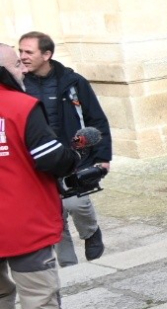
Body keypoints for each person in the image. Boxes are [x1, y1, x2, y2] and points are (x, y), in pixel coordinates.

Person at [0, 43, 88, 309]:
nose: (23, 70)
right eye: (16, 65)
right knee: (39, 301)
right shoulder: (18, 107)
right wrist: (76, 152)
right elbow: (51, 158)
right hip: (21, 223)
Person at [18, 32, 112, 266]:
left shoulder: (73, 81)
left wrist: (102, 156)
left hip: (74, 155)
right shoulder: (18, 84)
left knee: (76, 203)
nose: (22, 57)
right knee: (54, 213)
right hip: (40, 160)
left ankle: (91, 232)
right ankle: (69, 267)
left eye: (28, 52)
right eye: (20, 51)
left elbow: (96, 119)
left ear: (47, 54)